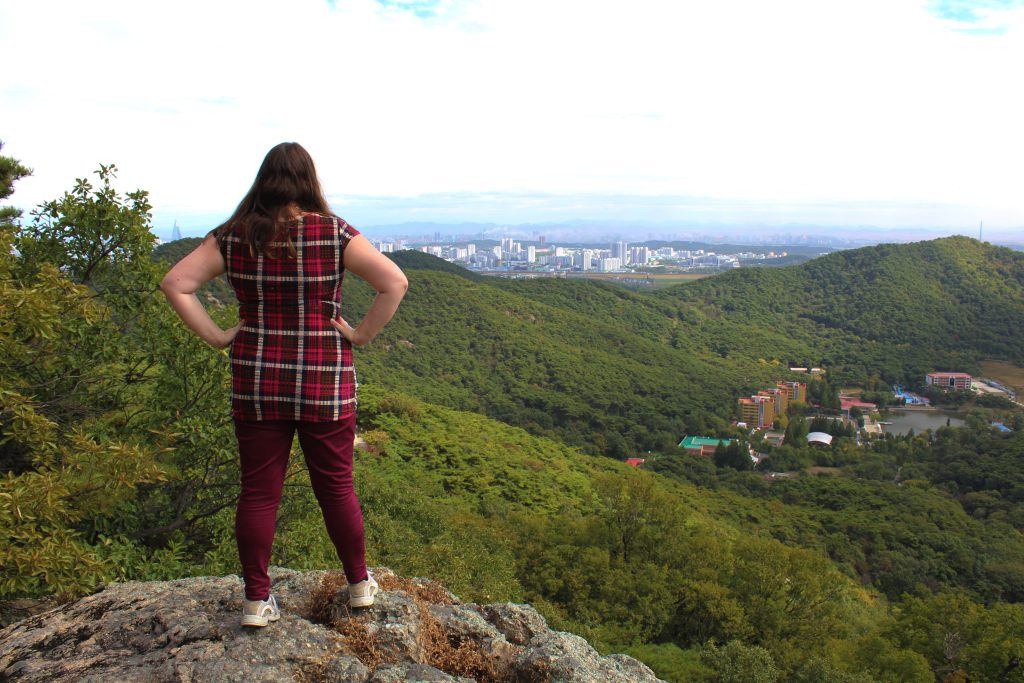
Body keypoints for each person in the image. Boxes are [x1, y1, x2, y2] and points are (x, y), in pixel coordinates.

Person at [160, 142, 408, 627]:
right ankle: (358, 584)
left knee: (257, 493)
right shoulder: (334, 233)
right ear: (308, 180)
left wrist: (216, 336)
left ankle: (256, 599)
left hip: (256, 379)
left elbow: (176, 282)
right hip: (323, 380)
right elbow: (394, 282)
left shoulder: (233, 236)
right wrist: (359, 334)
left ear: (263, 180)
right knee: (336, 488)